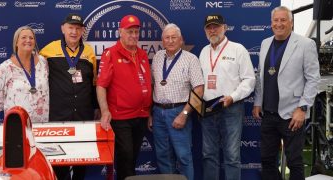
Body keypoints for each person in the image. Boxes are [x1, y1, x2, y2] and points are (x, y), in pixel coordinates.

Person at [252, 6, 320, 180]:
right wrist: (258, 102)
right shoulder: (265, 43)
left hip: (292, 114)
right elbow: (261, 75)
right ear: (271, 23)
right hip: (268, 114)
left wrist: (302, 108)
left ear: (291, 22)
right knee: (267, 160)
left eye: (283, 20)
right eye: (276, 20)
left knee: (295, 162)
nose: (279, 24)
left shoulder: (306, 44)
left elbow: (313, 79)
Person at [40, 13, 99, 180]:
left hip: (83, 115)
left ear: (82, 31)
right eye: (71, 28)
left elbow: (93, 82)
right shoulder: (48, 50)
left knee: (82, 158)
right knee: (60, 159)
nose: (74, 32)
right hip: (59, 115)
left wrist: (96, 107)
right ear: (63, 28)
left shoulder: (89, 52)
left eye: (78, 28)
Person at [199, 14, 256, 180]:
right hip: (208, 109)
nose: (212, 30)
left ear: (225, 27)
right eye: (209, 27)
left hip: (231, 107)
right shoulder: (203, 52)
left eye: (216, 26)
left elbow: (249, 80)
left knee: (232, 156)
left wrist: (233, 97)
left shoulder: (238, 49)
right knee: (208, 154)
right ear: (205, 31)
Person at [96, 14, 152, 180]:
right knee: (125, 156)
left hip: (141, 115)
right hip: (121, 117)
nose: (134, 35)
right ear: (120, 31)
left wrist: (149, 112)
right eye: (130, 32)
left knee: (132, 157)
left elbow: (146, 85)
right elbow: (101, 85)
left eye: (136, 32)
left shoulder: (142, 54)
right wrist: (105, 110)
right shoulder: (110, 54)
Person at [149, 23, 204, 180]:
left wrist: (185, 114)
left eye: (174, 37)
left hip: (179, 111)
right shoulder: (158, 57)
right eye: (167, 37)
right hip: (158, 113)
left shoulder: (191, 59)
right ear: (162, 40)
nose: (171, 41)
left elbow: (199, 89)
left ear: (181, 40)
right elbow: (153, 86)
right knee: (163, 157)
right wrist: (150, 113)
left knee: (183, 157)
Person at [0, 26, 49, 123]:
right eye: (24, 37)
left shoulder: (43, 62)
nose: (28, 40)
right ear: (16, 42)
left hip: (42, 124)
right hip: (16, 124)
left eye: (31, 38)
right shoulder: (5, 67)